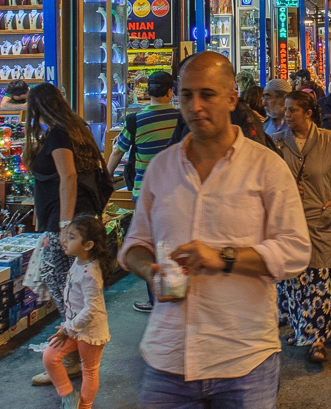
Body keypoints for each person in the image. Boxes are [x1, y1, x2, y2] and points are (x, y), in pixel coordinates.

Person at [118, 52, 310, 408]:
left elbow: (295, 250)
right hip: (169, 356)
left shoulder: (266, 167)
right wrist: (151, 271)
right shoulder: (161, 169)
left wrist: (223, 257)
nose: (195, 106)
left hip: (243, 358)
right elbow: (134, 243)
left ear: (231, 98)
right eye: (186, 95)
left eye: (207, 94)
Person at [28, 83, 107, 386]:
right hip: (76, 218)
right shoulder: (76, 130)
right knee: (69, 284)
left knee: (63, 284)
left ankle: (71, 353)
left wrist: (64, 226)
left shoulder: (60, 134)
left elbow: (69, 176)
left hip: (68, 221)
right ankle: (73, 349)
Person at [274, 89, 331, 364]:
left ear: (308, 113)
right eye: (286, 109)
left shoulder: (329, 140)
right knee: (295, 280)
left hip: (324, 221)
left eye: (293, 110)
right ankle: (300, 329)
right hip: (290, 222)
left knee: (321, 282)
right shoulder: (278, 141)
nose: (287, 114)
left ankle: (317, 340)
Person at [108, 70, 179, 313]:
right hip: (176, 189)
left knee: (150, 245)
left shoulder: (134, 120)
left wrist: (106, 176)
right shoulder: (180, 118)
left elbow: (118, 151)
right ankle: (177, 289)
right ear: (171, 92)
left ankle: (155, 297)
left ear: (148, 92)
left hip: (144, 192)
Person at [43, 216, 114, 409]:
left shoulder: (90, 274)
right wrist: (69, 327)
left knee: (89, 370)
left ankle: (84, 406)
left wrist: (68, 328)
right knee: (50, 357)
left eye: (72, 237)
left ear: (88, 245)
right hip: (73, 327)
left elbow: (92, 309)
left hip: (90, 332)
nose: (64, 241)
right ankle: (68, 396)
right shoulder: (78, 262)